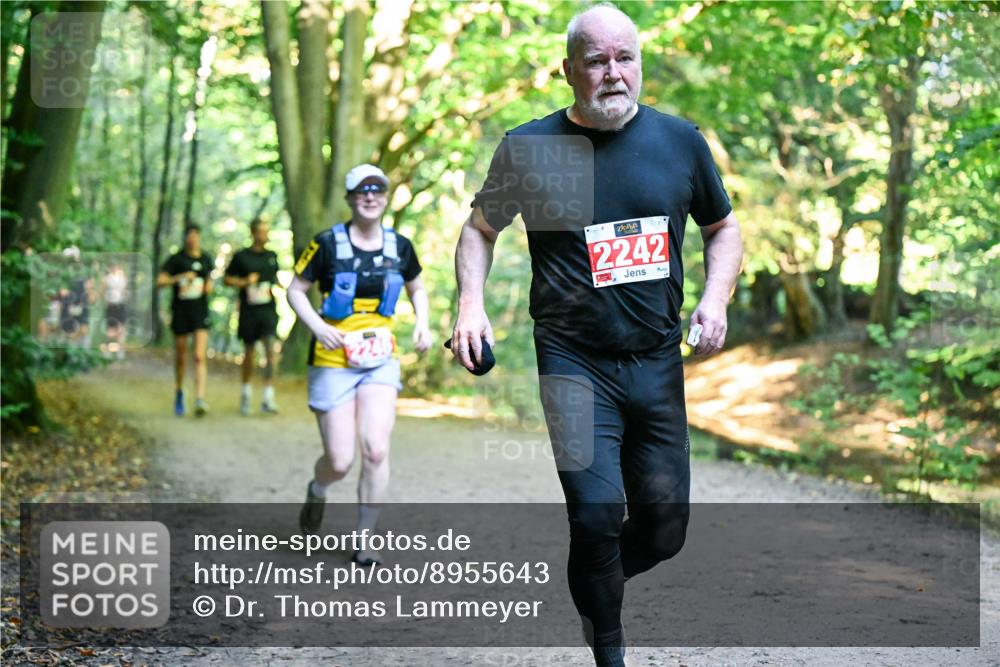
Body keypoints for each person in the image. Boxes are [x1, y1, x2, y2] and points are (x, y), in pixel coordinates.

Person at [450, 6, 743, 666]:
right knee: (594, 514)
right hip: (573, 359)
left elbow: (722, 228)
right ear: (569, 71)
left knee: (666, 529)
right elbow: (479, 230)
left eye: (625, 58)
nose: (614, 73)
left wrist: (715, 298)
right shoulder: (532, 148)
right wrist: (471, 306)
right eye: (597, 60)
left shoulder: (679, 143)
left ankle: (591, 579)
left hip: (657, 358)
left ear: (640, 63)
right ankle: (608, 646)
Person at [287, 164, 432, 565]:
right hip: (333, 359)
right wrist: (317, 327)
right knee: (340, 460)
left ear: (386, 197)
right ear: (350, 198)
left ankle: (365, 541)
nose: (370, 197)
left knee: (376, 449)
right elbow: (295, 290)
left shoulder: (400, 246)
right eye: (361, 191)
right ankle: (318, 488)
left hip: (379, 361)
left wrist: (423, 324)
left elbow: (417, 287)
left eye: (378, 191)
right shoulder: (326, 244)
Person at [224, 218, 281, 415]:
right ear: (253, 233)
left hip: (268, 310)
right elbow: (227, 279)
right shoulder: (242, 257)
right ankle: (246, 394)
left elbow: (275, 278)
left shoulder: (272, 256)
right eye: (261, 231)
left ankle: (268, 396)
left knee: (270, 351)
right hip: (249, 311)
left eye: (267, 231)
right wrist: (245, 282)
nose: (264, 235)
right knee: (249, 352)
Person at [157, 224, 213, 417]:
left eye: (195, 236)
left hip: (200, 312)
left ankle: (200, 399)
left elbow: (210, 282)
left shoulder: (206, 259)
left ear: (199, 237)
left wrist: (207, 286)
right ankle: (180, 391)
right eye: (189, 236)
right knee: (181, 356)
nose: (192, 239)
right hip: (181, 312)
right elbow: (160, 282)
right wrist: (180, 277)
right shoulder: (176, 259)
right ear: (185, 238)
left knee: (199, 356)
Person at [103, 260, 128, 359]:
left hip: (120, 305)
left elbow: (125, 290)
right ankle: (108, 350)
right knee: (111, 330)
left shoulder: (123, 278)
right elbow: (103, 290)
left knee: (121, 329)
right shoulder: (106, 279)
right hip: (111, 306)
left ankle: (120, 351)